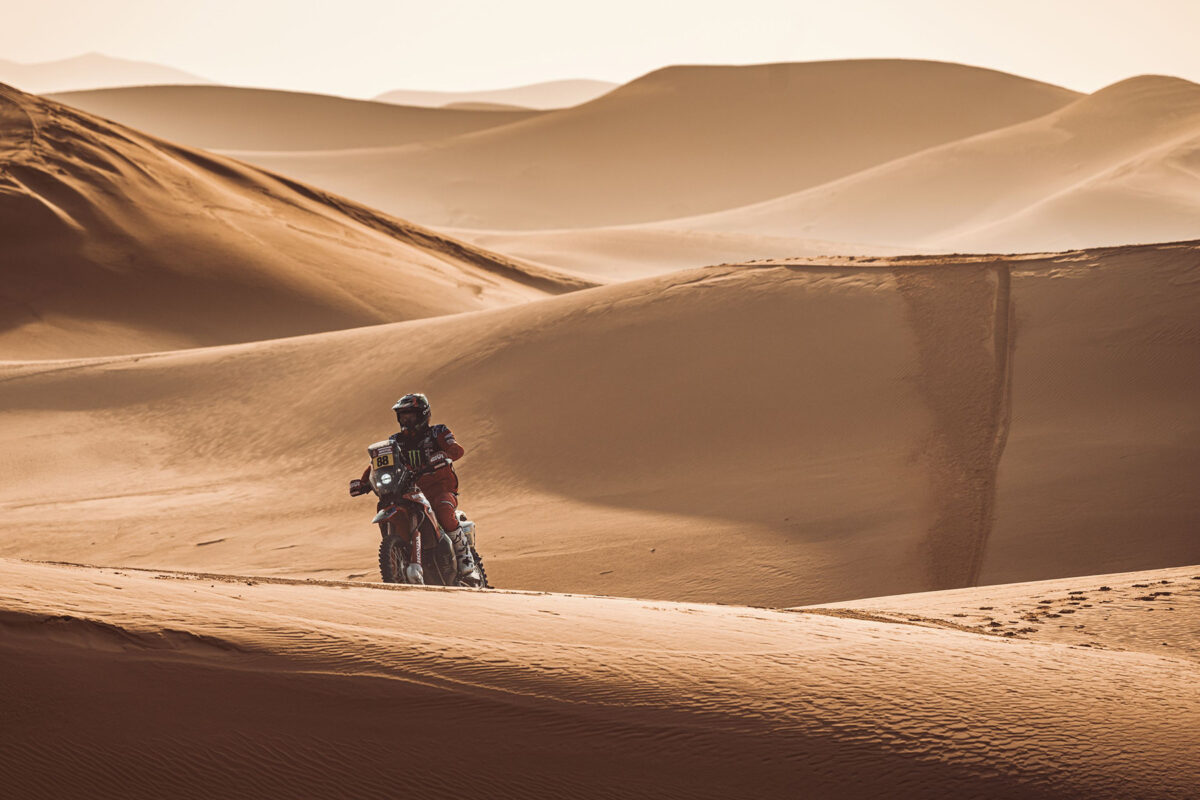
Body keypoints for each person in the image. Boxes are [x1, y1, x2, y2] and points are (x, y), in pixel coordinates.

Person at [350, 393, 479, 579]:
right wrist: (363, 483)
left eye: (410, 414)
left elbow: (456, 449)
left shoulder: (438, 432)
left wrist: (443, 455)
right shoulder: (395, 441)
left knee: (443, 509)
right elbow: (377, 464)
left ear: (422, 414)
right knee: (384, 505)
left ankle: (465, 559)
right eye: (402, 415)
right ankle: (398, 556)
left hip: (439, 489)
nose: (405, 419)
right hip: (409, 489)